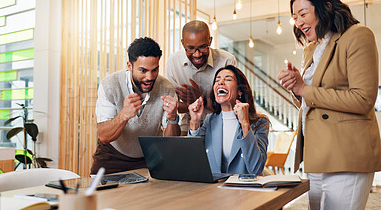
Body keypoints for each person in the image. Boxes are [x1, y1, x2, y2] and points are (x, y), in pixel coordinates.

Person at [277, 0, 381, 210]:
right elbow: (311, 102)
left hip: (346, 154)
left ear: (326, 6)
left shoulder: (358, 35)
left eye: (303, 13)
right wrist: (296, 86)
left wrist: (305, 89)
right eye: (295, 17)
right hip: (316, 155)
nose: (298, 22)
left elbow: (363, 99)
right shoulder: (311, 50)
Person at [91, 37, 180, 174]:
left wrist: (172, 118)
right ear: (129, 66)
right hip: (112, 156)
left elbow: (170, 143)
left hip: (148, 158)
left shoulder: (167, 88)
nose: (150, 77)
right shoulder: (109, 85)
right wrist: (123, 116)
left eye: (154, 70)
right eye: (143, 71)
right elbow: (104, 136)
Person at [188, 65, 269, 175]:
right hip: (214, 189)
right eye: (217, 80)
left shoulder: (260, 123)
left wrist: (245, 124)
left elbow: (255, 169)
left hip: (245, 189)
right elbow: (192, 160)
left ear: (239, 91)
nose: (220, 82)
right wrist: (194, 122)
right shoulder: (209, 120)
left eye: (228, 79)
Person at [165, 20, 236, 134]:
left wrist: (199, 98)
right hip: (187, 124)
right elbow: (172, 106)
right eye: (191, 48)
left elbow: (232, 106)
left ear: (210, 41)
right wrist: (191, 103)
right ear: (183, 43)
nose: (197, 54)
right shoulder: (174, 62)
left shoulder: (226, 60)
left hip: (220, 124)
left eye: (203, 47)